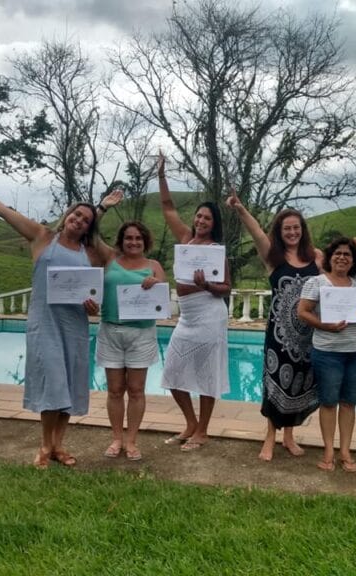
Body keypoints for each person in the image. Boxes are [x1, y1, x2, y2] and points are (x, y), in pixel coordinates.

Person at [0, 169, 118, 469]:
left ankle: (59, 445)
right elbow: (3, 211)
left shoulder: (90, 254)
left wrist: (92, 308)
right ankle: (45, 445)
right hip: (44, 323)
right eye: (76, 215)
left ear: (89, 227)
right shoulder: (43, 237)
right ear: (68, 215)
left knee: (70, 385)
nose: (79, 221)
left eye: (86, 220)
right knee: (52, 382)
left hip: (74, 325)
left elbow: (94, 291)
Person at [226, 195, 322, 461]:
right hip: (280, 336)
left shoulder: (316, 257)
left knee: (300, 385)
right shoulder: (273, 257)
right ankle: (270, 437)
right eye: (286, 228)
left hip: (309, 335)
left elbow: (337, 280)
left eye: (296, 227)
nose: (292, 232)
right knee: (276, 384)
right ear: (280, 232)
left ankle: (289, 437)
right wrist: (241, 208)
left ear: (302, 230)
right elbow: (256, 231)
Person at [157, 153, 231, 452]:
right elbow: (167, 207)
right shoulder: (186, 238)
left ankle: (202, 431)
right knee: (173, 372)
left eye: (207, 218)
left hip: (210, 312)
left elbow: (227, 287)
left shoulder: (217, 250)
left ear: (214, 224)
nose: (201, 220)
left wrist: (207, 284)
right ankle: (190, 423)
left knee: (207, 373)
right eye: (199, 216)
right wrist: (162, 174)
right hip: (186, 317)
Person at [297, 237, 356, 472]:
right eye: (338, 253)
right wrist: (325, 325)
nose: (342, 257)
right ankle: (328, 450)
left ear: (353, 260)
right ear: (329, 257)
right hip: (327, 352)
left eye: (348, 254)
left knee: (349, 404)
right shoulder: (317, 282)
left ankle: (345, 451)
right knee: (328, 403)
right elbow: (302, 311)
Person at [95, 221, 167, 461]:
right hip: (110, 330)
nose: (133, 242)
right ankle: (117, 438)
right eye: (128, 238)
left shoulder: (154, 266)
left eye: (138, 238)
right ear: (121, 240)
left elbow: (164, 300)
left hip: (142, 334)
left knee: (136, 390)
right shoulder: (109, 261)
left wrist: (157, 285)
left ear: (145, 241)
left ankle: (132, 440)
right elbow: (92, 235)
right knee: (115, 390)